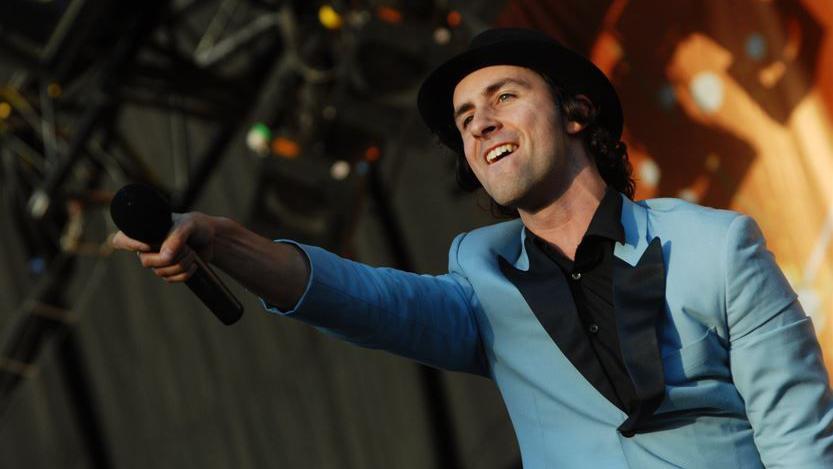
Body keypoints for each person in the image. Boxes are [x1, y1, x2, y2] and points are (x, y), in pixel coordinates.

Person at [113, 28, 833, 468]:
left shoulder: (716, 245)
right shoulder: (483, 282)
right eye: (464, 117)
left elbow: (801, 443)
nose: (481, 122)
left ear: (575, 113)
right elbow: (361, 298)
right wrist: (223, 238)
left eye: (503, 96)